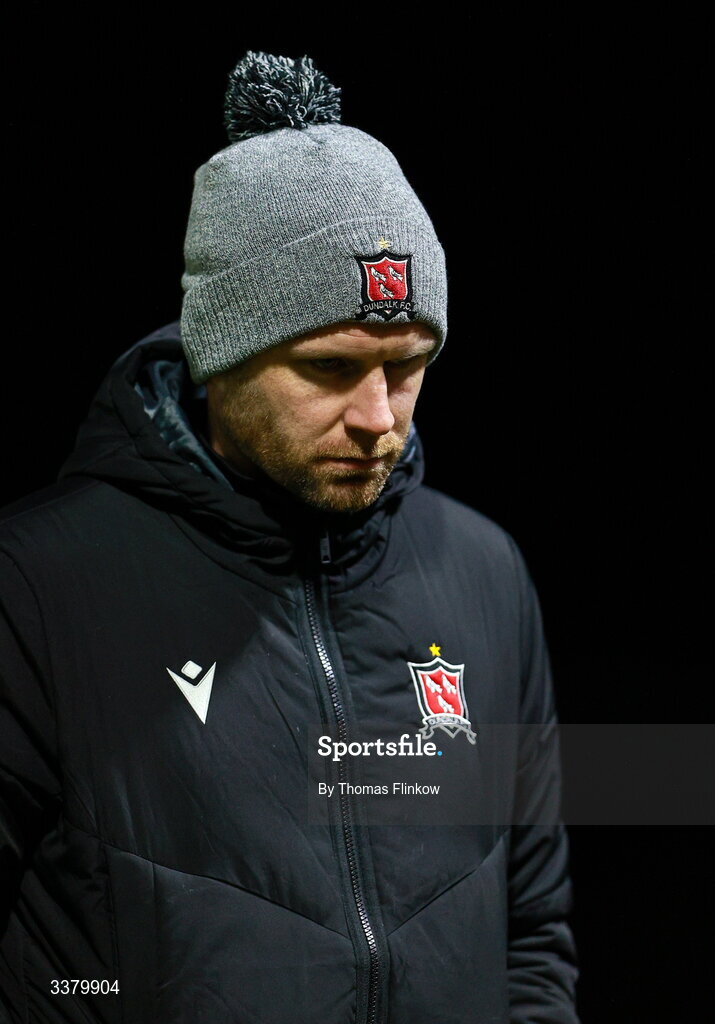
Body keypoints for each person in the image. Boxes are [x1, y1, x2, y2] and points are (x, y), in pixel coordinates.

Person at [0, 50, 579, 1023]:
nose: (378, 417)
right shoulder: (40, 584)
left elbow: (532, 929)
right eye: (328, 366)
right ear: (221, 348)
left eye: (407, 366)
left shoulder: (483, 572)